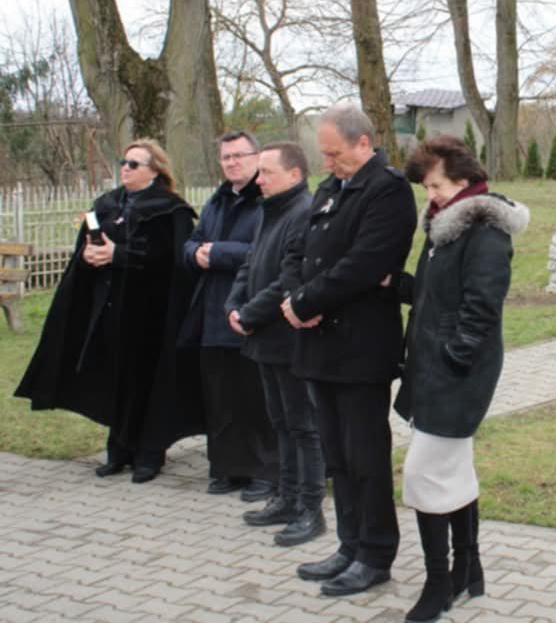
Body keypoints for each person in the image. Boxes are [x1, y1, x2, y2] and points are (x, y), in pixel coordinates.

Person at [281, 102, 417, 597]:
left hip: (360, 348)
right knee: (335, 455)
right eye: (324, 154)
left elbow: (364, 264)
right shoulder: (329, 188)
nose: (327, 163)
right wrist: (294, 298)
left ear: (364, 143)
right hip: (318, 345)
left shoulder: (388, 190)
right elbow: (296, 250)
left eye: (334, 153)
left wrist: (307, 301)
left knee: (365, 457)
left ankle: (375, 554)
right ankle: (348, 544)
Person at [394, 136, 529, 622]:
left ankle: (439, 583)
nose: (430, 195)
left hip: (457, 372)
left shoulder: (485, 231)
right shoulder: (445, 227)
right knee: (454, 472)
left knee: (423, 475)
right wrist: (391, 283)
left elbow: (482, 306)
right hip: (433, 367)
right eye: (427, 187)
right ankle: (468, 567)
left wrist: (455, 358)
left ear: (465, 179)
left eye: (437, 185)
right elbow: (436, 297)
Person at [16, 139, 201, 483]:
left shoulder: (170, 210)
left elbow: (173, 261)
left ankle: (149, 454)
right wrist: (89, 257)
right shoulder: (106, 204)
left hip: (152, 314)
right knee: (115, 377)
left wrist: (119, 255)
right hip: (110, 309)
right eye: (123, 162)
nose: (125, 169)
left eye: (134, 164)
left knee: (148, 381)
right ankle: (118, 451)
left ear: (154, 171)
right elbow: (86, 249)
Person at [225, 142, 327, 547]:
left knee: (304, 426)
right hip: (263, 338)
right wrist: (235, 305)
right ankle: (286, 497)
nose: (259, 179)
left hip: (289, 338)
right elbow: (251, 263)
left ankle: (310, 508)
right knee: (281, 422)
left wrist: (249, 314)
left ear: (294, 174)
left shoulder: (303, 212)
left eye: (267, 172)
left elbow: (289, 278)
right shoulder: (269, 210)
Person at [179, 130, 278, 501]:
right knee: (221, 399)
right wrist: (194, 254)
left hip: (252, 311)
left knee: (256, 398)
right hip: (212, 314)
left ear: (256, 157)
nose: (232, 163)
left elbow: (267, 250)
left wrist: (217, 253)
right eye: (226, 157)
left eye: (239, 155)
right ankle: (227, 467)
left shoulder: (266, 200)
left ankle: (265, 471)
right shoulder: (217, 201)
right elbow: (191, 242)